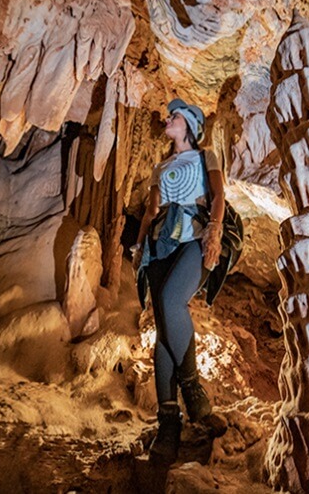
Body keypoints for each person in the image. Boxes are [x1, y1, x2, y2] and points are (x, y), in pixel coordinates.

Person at [130, 98, 228, 463]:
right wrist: (140, 246)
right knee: (162, 331)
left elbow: (218, 196)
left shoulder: (207, 157)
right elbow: (151, 211)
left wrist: (215, 230)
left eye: (173, 116)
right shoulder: (161, 167)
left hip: (194, 236)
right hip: (160, 244)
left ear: (187, 125)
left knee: (173, 302)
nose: (167, 119)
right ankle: (168, 424)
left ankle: (192, 389)